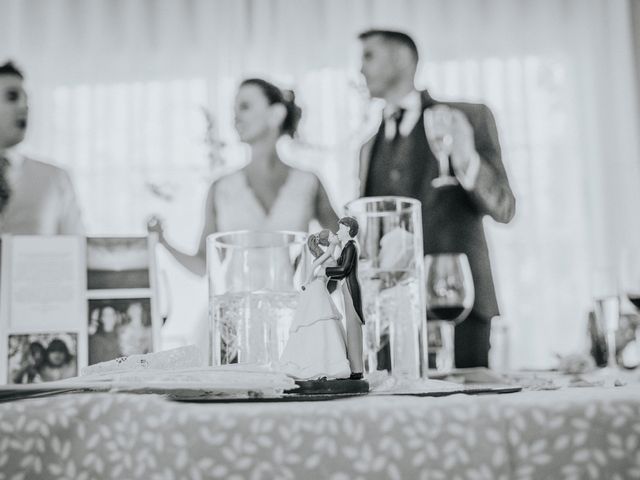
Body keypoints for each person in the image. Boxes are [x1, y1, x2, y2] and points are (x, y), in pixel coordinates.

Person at [357, 30, 516, 368]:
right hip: (391, 317)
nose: (360, 69)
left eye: (369, 56)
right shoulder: (367, 147)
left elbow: (505, 208)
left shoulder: (468, 117)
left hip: (460, 303)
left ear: (400, 58)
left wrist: (466, 159)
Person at [148, 78, 339, 276]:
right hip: (236, 305)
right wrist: (162, 242)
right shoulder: (220, 188)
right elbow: (203, 265)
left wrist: (321, 280)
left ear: (276, 114)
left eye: (245, 107)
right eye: (234, 110)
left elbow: (343, 245)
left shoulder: (308, 182)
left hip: (293, 304)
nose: (235, 118)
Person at [0, 61, 84, 234]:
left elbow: (77, 249)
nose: (24, 106)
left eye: (26, 99)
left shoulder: (56, 178)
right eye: (12, 97)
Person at [278, 231, 351, 380]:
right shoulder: (327, 254)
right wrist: (307, 283)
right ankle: (316, 363)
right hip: (317, 286)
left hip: (321, 286)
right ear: (327, 240)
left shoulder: (330, 252)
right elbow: (313, 269)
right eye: (331, 236)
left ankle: (326, 361)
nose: (334, 236)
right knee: (318, 319)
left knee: (323, 320)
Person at [325, 217, 365, 379]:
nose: (338, 232)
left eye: (341, 229)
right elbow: (338, 264)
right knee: (351, 328)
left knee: (353, 328)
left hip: (350, 288)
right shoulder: (345, 247)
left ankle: (357, 369)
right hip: (346, 288)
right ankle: (354, 366)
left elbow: (343, 270)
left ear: (348, 231)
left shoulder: (351, 247)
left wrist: (326, 272)